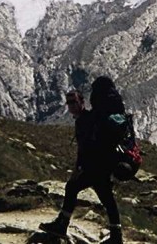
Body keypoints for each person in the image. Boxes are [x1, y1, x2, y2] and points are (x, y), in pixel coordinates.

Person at [40, 77, 125, 244]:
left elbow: (85, 149)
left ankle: (62, 225)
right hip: (103, 164)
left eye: (74, 102)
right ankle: (116, 235)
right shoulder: (92, 118)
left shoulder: (86, 120)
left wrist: (78, 169)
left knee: (73, 187)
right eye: (69, 102)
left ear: (82, 102)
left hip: (96, 166)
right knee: (106, 197)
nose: (71, 105)